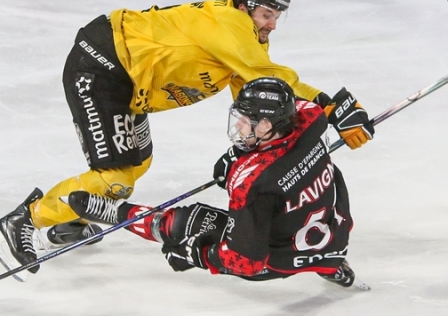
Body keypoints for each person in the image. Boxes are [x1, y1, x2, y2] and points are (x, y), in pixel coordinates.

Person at [0, 0, 374, 275]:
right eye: (267, 14)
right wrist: (331, 107)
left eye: (276, 16)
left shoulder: (244, 34)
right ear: (246, 7)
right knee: (116, 177)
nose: (272, 24)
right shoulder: (232, 25)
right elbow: (269, 75)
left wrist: (321, 114)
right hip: (104, 66)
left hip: (125, 76)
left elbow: (263, 90)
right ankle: (25, 219)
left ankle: (72, 216)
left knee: (132, 165)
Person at [67, 77, 360, 287]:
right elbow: (305, 105)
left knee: (184, 225)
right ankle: (329, 263)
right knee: (317, 190)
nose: (239, 125)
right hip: (335, 238)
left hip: (278, 260)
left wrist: (200, 255)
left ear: (267, 126)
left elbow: (248, 261)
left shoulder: (253, 181)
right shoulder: (311, 118)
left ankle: (116, 213)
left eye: (246, 121)